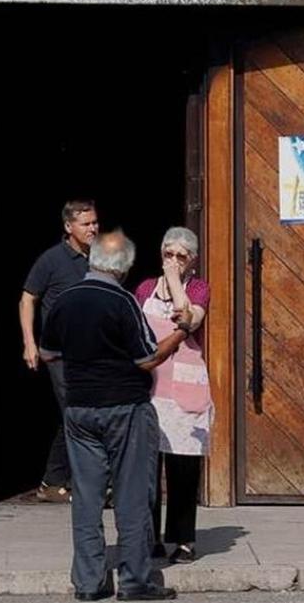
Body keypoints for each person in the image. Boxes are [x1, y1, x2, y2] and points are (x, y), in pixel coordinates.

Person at [40, 231, 187, 602]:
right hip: (125, 408)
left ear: (92, 261)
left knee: (86, 498)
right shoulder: (123, 303)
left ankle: (89, 584)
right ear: (123, 268)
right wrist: (180, 333)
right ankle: (135, 582)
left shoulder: (66, 300)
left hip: (79, 410)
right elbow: (148, 358)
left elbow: (48, 352)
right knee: (132, 496)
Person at [135, 227, 211, 565]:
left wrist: (176, 281)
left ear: (192, 260)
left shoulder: (198, 288)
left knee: (184, 466)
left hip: (185, 388)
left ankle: (183, 538)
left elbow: (188, 319)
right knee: (148, 466)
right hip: (152, 386)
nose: (174, 261)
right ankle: (149, 537)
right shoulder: (145, 288)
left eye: (181, 256)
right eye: (169, 254)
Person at [20, 200, 99, 503]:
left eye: (94, 222)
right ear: (69, 227)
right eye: (86, 223)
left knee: (75, 414)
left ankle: (52, 481)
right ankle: (86, 483)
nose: (93, 228)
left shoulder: (99, 258)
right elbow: (27, 299)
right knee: (78, 411)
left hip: (93, 353)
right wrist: (29, 342)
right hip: (59, 354)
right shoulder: (51, 260)